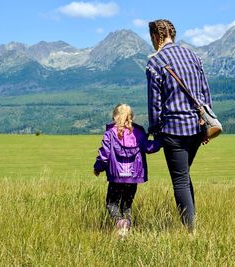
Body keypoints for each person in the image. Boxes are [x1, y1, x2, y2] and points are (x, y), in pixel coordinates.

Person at [146, 19, 212, 230]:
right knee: (184, 175)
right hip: (197, 126)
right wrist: (206, 125)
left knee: (180, 180)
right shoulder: (193, 56)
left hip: (173, 130)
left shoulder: (155, 62)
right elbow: (205, 93)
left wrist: (155, 131)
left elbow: (154, 103)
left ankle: (189, 230)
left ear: (156, 37)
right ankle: (192, 222)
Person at [93, 104, 161, 236]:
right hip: (133, 177)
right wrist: (161, 140)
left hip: (116, 177)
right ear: (131, 117)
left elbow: (104, 155)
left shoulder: (110, 133)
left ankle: (119, 224)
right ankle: (126, 228)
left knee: (111, 203)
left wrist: (97, 168)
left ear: (114, 116)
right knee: (127, 205)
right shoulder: (139, 133)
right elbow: (150, 148)